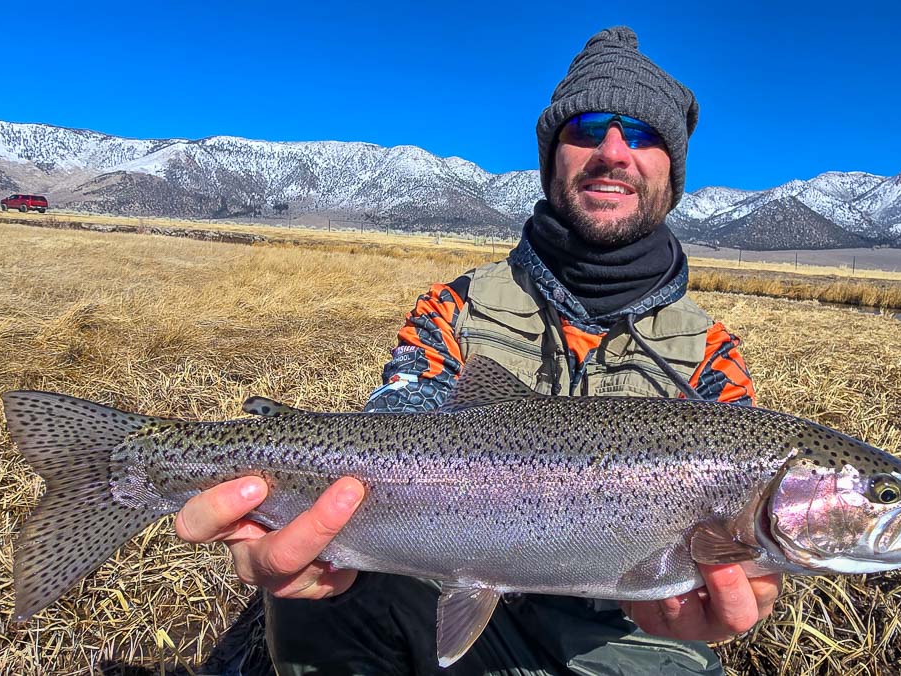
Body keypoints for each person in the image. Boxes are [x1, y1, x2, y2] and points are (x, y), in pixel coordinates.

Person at [176, 26, 782, 675]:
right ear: (552, 158)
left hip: (620, 633)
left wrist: (732, 599)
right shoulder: (456, 309)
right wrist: (318, 557)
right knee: (311, 603)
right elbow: (391, 433)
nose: (613, 152)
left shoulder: (711, 357)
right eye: (586, 129)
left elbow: (740, 564)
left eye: (641, 135)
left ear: (674, 167)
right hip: (434, 578)